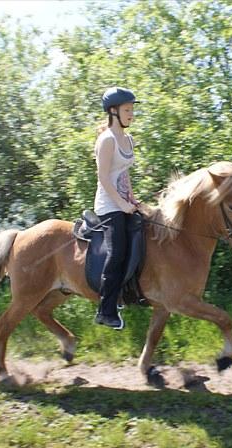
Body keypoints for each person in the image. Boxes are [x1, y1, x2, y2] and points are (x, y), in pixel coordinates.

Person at [93, 87, 141, 329]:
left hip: (124, 203)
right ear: (113, 112)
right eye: (127, 110)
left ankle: (130, 292)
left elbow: (124, 173)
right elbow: (103, 177)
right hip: (108, 206)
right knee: (117, 252)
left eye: (132, 109)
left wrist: (132, 199)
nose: (132, 114)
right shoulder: (107, 140)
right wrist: (121, 204)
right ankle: (106, 310)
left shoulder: (128, 139)